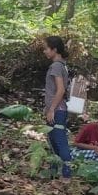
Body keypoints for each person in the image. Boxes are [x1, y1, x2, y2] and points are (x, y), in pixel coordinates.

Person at [43, 35, 73, 179]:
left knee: (60, 141)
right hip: (58, 109)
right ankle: (53, 173)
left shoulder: (56, 66)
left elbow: (60, 90)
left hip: (57, 110)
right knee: (53, 141)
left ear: (54, 49)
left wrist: (51, 109)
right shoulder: (62, 65)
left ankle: (67, 174)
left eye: (46, 48)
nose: (45, 51)